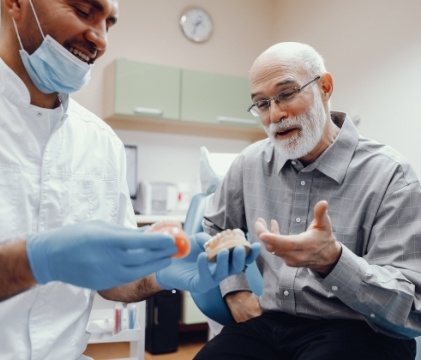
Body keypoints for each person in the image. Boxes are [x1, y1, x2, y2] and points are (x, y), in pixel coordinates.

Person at [0, 0, 260, 359]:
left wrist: (157, 273)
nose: (101, 38)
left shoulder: (100, 143)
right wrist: (33, 260)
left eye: (110, 23)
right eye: (82, 10)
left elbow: (112, 282)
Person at [195, 42, 421, 360]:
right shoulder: (250, 163)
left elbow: (418, 310)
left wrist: (333, 261)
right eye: (262, 104)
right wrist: (235, 289)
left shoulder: (390, 174)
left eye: (287, 94)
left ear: (325, 87)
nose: (275, 114)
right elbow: (215, 226)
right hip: (270, 325)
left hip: (360, 329)